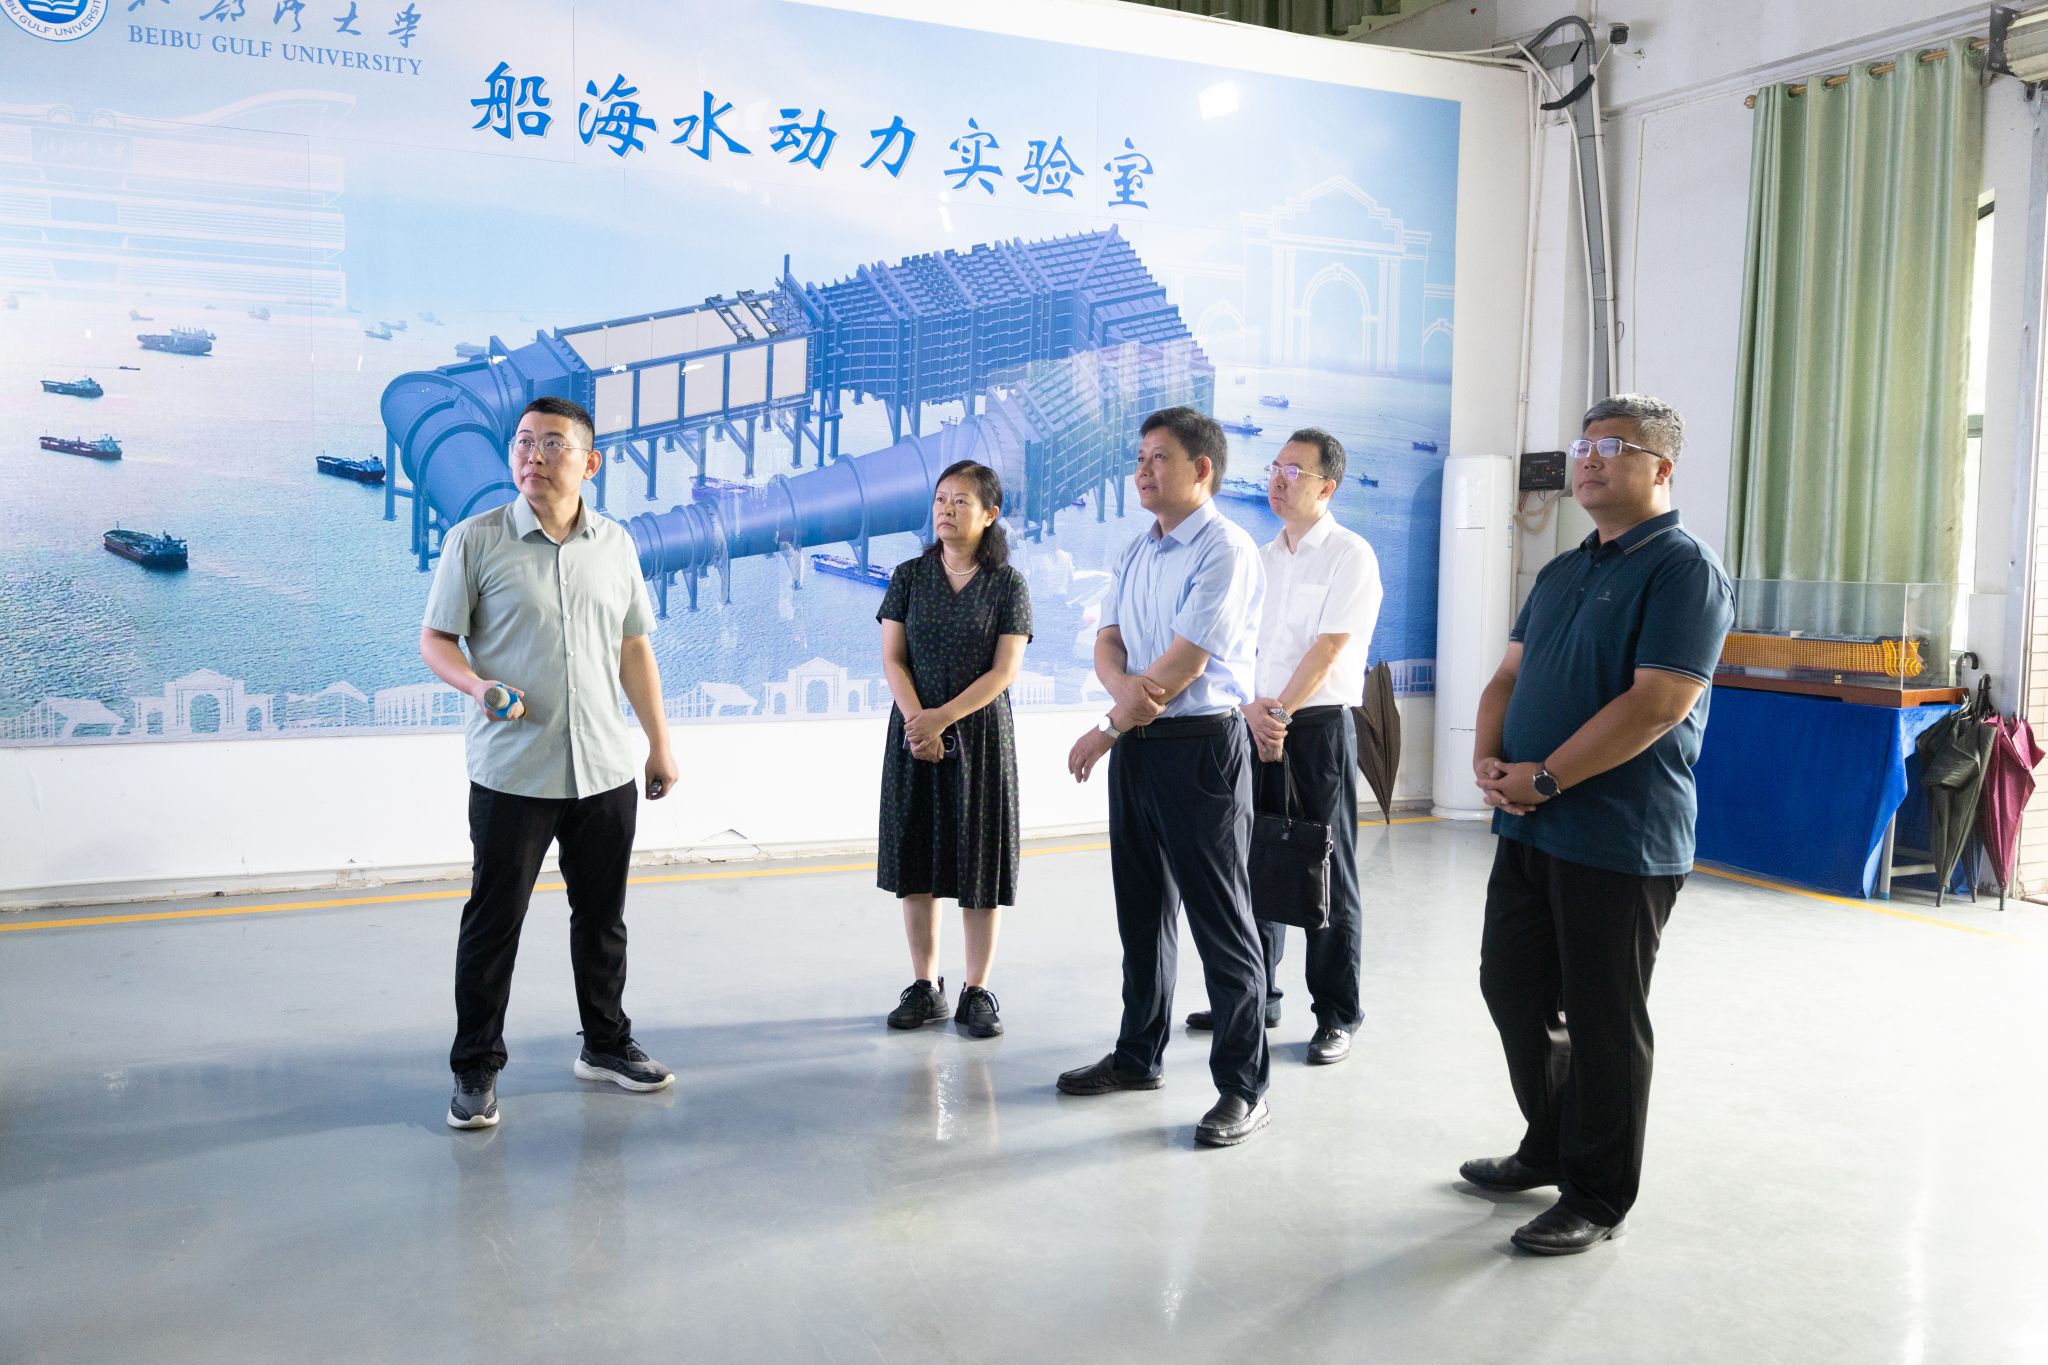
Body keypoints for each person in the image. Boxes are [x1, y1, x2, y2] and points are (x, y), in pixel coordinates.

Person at [1465, 394, 1733, 1253]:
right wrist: (1488, 758)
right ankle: (1549, 1142)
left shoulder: (1683, 570)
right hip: (1530, 826)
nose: (1587, 460)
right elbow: (1507, 677)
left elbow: (1657, 704)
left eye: (1611, 447)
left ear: (1662, 468)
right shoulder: (1563, 570)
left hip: (1620, 836)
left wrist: (1546, 776)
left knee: (1604, 1017)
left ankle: (1597, 1193)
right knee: (1511, 986)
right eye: (1582, 446)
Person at [420, 396, 680, 1131]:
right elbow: (436, 639)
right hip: (514, 770)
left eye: (553, 443)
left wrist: (659, 743)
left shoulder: (615, 544)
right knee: (494, 921)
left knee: (602, 918)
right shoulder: (476, 541)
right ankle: (475, 1067)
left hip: (604, 765)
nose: (533, 455)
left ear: (589, 462)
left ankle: (605, 1043)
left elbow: (633, 647)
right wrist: (476, 685)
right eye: (524, 442)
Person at [1059, 406, 1271, 1147]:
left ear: (1202, 469)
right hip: (1142, 746)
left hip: (1201, 747)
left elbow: (1184, 665)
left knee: (1221, 921)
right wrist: (1125, 702)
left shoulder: (1226, 549)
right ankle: (1137, 1056)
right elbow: (1108, 640)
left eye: (1158, 458)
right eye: (1140, 457)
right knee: (1142, 912)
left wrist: (1108, 726)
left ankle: (1243, 1088)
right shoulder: (1137, 549)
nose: (1142, 471)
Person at [1185, 429, 1381, 1066]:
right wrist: (1254, 710)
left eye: (1295, 470)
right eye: (1276, 467)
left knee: (1328, 870)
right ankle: (1256, 995)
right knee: (1251, 861)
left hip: (1316, 728)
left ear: (1328, 487)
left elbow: (1330, 648)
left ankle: (1336, 1014)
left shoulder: (1350, 555)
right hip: (1253, 723)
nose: (1278, 478)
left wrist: (1280, 713)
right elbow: (1234, 645)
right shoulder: (1260, 558)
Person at [876, 460, 1033, 1038]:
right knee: (916, 861)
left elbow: (1005, 671)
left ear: (990, 514)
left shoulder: (1008, 585)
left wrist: (941, 719)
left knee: (979, 864)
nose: (947, 509)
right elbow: (893, 658)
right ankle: (925, 986)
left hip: (980, 738)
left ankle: (977, 990)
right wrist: (918, 722)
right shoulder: (910, 576)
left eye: (961, 500)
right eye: (941, 499)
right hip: (914, 732)